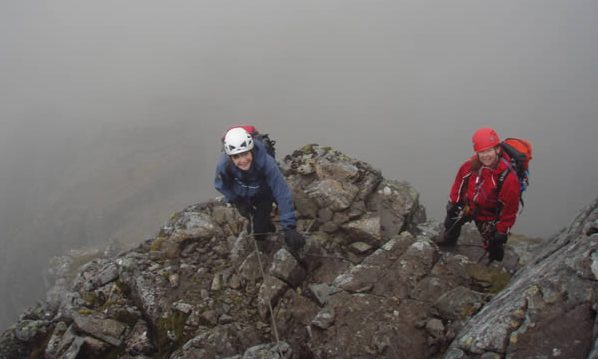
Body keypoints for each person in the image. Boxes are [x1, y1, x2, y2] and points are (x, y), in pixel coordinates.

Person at [214, 127, 305, 253]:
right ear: (230, 157)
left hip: (263, 194)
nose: (243, 160)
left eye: (245, 153)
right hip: (242, 197)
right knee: (253, 220)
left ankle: (265, 226)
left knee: (258, 234)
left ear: (251, 150)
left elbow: (282, 192)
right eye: (236, 157)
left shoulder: (267, 163)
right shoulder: (224, 166)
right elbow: (221, 185)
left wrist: (289, 228)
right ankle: (263, 223)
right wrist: (236, 200)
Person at [438, 127, 521, 262]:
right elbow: (459, 182)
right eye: (481, 152)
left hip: (489, 215)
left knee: (493, 242)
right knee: (451, 221)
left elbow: (509, 210)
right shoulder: (471, 165)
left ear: (498, 149)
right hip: (469, 205)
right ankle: (449, 239)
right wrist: (454, 202)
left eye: (489, 150)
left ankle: (496, 259)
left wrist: (502, 230)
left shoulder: (508, 179)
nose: (485, 155)